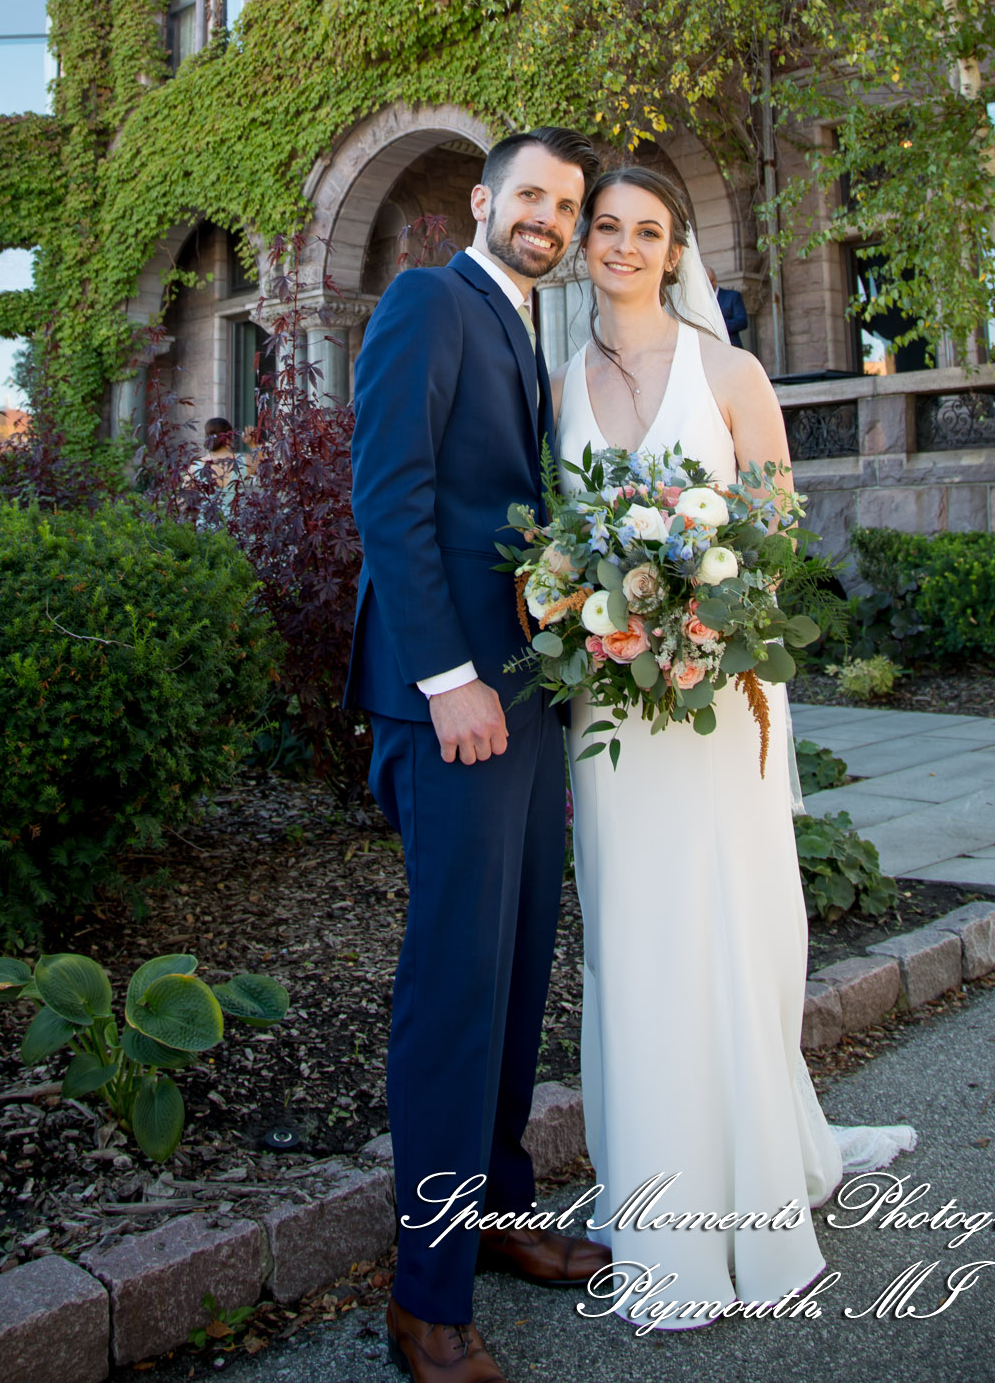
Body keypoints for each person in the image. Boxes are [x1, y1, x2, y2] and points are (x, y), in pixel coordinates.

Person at [554, 165, 915, 1327]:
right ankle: (655, 1201)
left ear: (676, 250)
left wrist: (702, 623)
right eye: (604, 226)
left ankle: (753, 1196)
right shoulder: (560, 381)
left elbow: (774, 529)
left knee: (726, 929)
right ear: (584, 244)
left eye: (645, 230)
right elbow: (557, 552)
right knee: (633, 939)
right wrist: (588, 614)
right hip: (611, 715)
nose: (621, 245)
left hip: (721, 701)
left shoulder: (731, 371)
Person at [347, 127, 611, 1383]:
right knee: (454, 991)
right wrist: (449, 680)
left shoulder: (528, 327)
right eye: (533, 198)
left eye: (568, 205)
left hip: (527, 697)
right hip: (448, 699)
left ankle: (499, 1212)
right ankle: (425, 1299)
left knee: (515, 976)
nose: (550, 219)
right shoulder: (427, 300)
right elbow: (387, 494)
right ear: (482, 200)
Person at [706, 263, 750, 348]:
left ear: (714, 282)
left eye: (706, 283)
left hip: (731, 347)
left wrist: (718, 326)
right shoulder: (699, 301)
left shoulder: (733, 296)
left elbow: (742, 321)